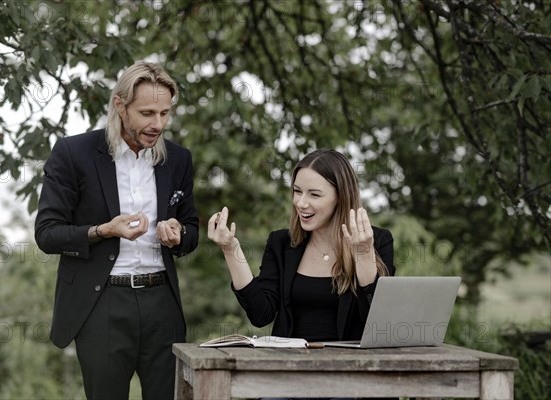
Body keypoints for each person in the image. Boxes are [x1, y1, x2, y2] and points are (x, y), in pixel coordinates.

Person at [35, 61, 198, 400]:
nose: (158, 124)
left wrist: (179, 233)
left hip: (162, 304)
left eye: (165, 113)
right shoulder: (73, 153)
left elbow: (192, 230)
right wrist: (103, 230)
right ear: (119, 106)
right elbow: (47, 233)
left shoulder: (179, 159)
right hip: (102, 303)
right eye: (147, 113)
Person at [208, 149, 395, 400]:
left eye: (314, 194)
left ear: (341, 197)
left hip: (352, 375)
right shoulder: (281, 243)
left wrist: (363, 254)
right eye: (297, 191)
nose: (301, 203)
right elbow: (261, 313)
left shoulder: (377, 240)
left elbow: (378, 323)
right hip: (290, 374)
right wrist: (231, 250)